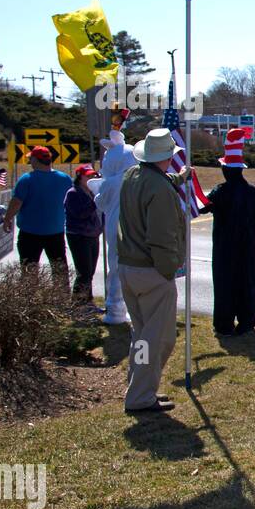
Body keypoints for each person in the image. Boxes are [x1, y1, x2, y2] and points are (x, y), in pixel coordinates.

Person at [117, 128, 189, 414]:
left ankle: (140, 388)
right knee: (158, 339)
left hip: (129, 267)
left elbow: (158, 184)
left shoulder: (132, 176)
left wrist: (180, 178)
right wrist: (168, 269)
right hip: (152, 271)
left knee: (142, 335)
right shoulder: (158, 189)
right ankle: (140, 396)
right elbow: (161, 237)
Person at [201, 129, 255, 336]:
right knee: (246, 284)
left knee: (224, 286)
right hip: (246, 247)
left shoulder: (219, 192)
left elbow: (202, 207)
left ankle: (224, 324)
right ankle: (247, 322)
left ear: (225, 170)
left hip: (224, 249)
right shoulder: (253, 192)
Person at [2, 146, 72, 281]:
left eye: (31, 159)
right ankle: (62, 297)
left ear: (35, 160)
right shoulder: (65, 178)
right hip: (56, 231)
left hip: (30, 232)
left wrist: (7, 219)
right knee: (59, 270)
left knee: (29, 270)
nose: (30, 162)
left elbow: (16, 202)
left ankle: (32, 298)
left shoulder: (27, 179)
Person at [93, 130, 134, 324]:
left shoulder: (111, 182)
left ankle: (115, 311)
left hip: (115, 227)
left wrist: (97, 191)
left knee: (116, 269)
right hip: (134, 229)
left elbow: (100, 203)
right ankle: (128, 309)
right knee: (133, 269)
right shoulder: (138, 179)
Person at [64, 163, 104, 305]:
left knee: (90, 271)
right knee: (84, 272)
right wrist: (95, 202)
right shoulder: (73, 193)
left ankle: (88, 301)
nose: (92, 178)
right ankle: (78, 303)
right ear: (80, 177)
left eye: (93, 175)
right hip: (79, 235)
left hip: (93, 235)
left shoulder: (92, 193)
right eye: (88, 176)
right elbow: (80, 214)